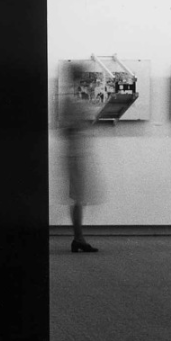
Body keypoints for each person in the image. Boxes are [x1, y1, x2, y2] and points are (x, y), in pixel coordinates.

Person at [60, 63, 104, 253]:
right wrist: (82, 120)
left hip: (78, 152)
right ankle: (78, 238)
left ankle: (79, 238)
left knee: (80, 198)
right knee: (78, 197)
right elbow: (66, 127)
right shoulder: (70, 98)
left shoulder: (73, 97)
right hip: (75, 154)